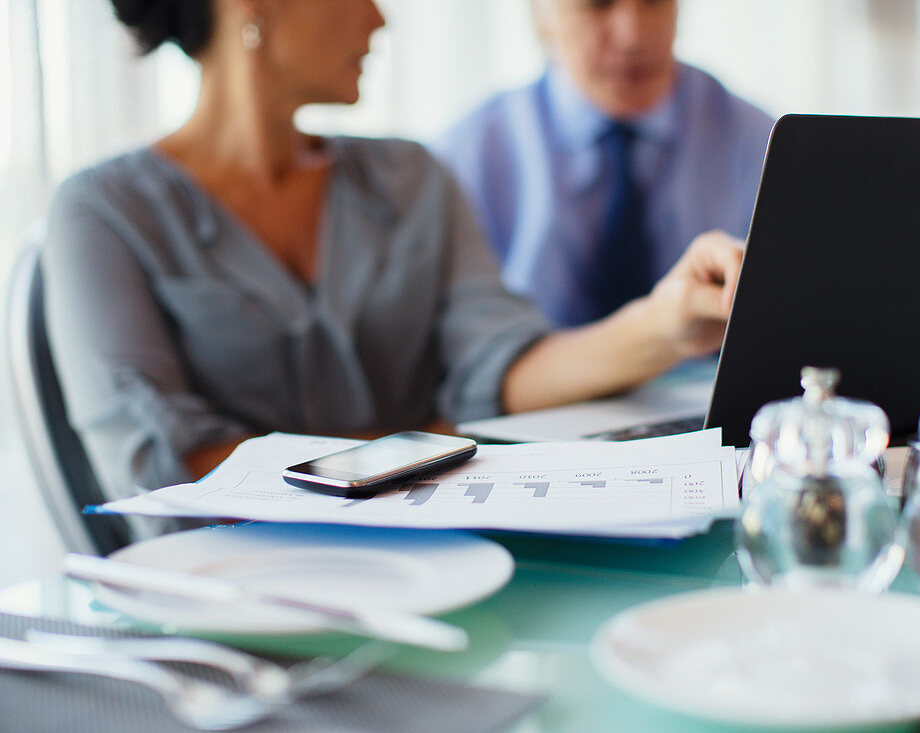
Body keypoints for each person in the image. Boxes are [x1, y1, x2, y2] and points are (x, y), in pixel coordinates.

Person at [44, 0, 743, 530]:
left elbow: (499, 370)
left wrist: (665, 324)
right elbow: (163, 474)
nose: (379, 20)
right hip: (224, 590)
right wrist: (439, 440)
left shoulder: (411, 175)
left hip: (437, 555)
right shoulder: (102, 212)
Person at [433, 0, 774, 327]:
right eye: (597, 4)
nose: (632, 37)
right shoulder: (462, 159)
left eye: (654, 1)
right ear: (541, 13)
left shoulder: (764, 146)